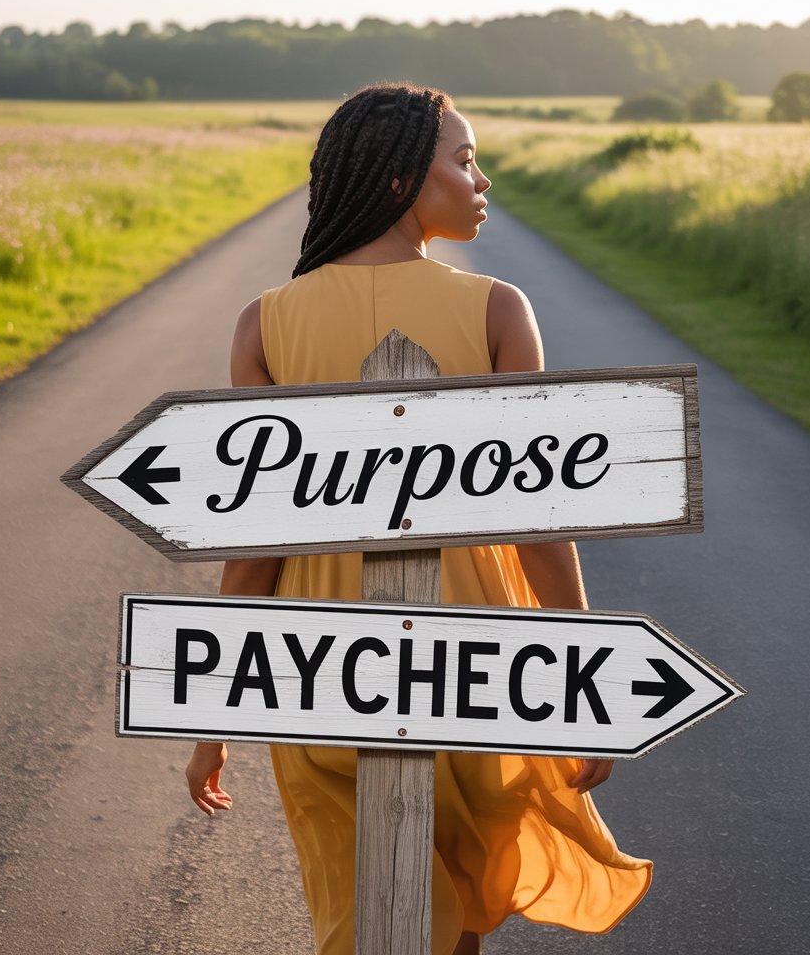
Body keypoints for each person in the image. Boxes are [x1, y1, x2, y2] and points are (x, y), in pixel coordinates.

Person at [185, 81, 652, 954]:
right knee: (457, 921)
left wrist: (213, 718)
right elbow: (540, 520)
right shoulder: (495, 310)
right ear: (403, 181)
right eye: (465, 160)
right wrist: (585, 683)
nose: (482, 180)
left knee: (369, 925)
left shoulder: (266, 324)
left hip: (316, 675)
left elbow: (256, 542)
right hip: (476, 669)